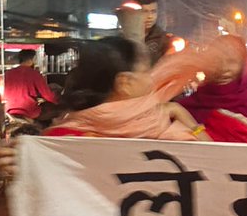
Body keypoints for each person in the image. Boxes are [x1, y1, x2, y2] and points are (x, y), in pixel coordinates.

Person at [42, 37, 220, 141]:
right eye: (145, 71)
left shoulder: (157, 120)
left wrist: (180, 112)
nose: (151, 77)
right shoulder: (68, 143)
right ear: (125, 83)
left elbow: (214, 165)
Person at [177, 35, 247, 144]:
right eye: (215, 60)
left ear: (244, 66)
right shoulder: (190, 105)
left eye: (231, 61)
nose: (224, 68)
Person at [2, 49, 55, 121]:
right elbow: (47, 95)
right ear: (32, 59)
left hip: (9, 110)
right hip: (29, 111)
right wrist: (58, 102)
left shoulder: (8, 73)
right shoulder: (34, 74)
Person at [130, 0, 175, 66]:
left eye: (153, 11)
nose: (150, 16)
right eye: (144, 12)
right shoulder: (123, 38)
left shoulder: (164, 40)